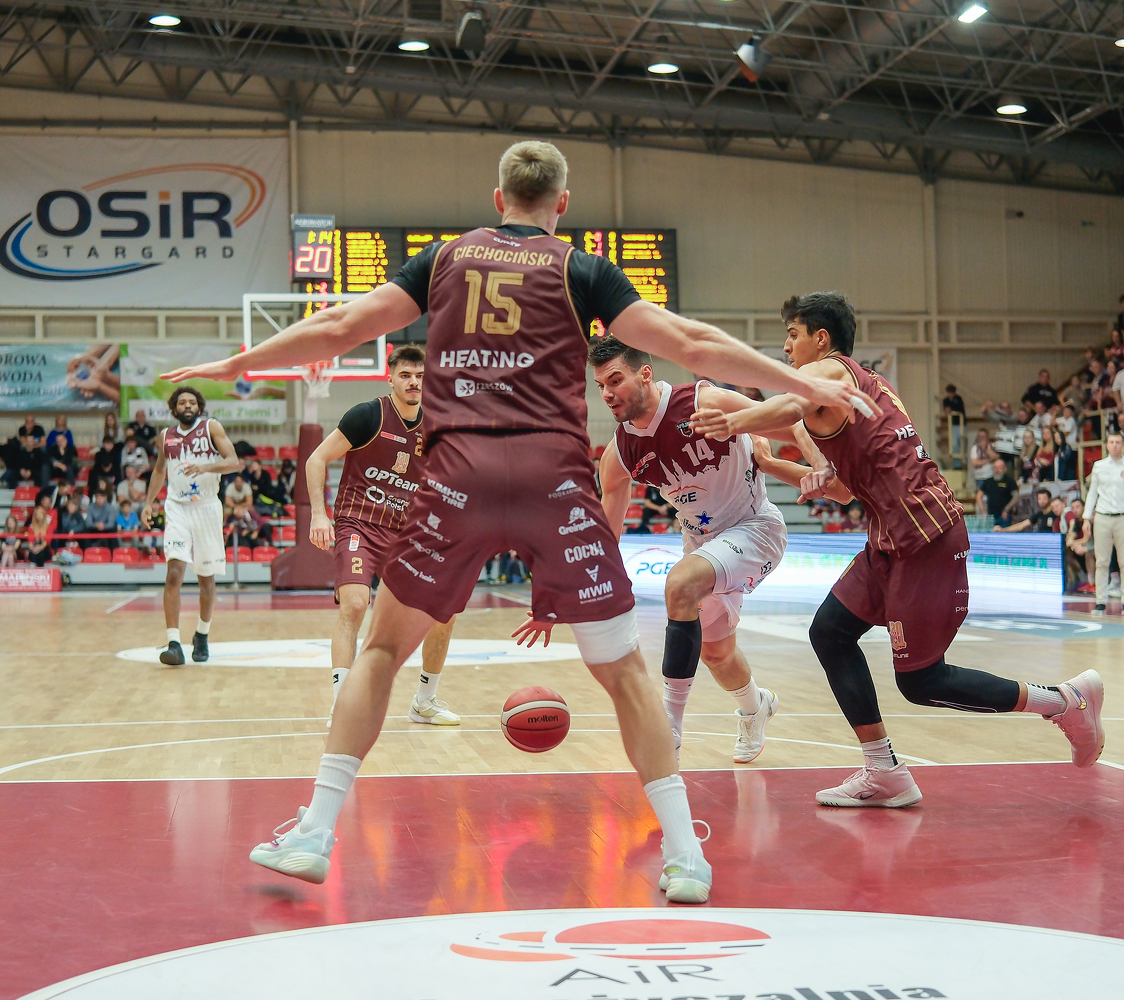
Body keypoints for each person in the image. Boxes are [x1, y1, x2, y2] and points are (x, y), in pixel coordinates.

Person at [163, 141, 871, 902]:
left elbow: (342, 323)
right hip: (553, 485)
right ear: (562, 204)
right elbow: (694, 342)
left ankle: (314, 832)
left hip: (458, 480)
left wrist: (237, 365)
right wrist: (799, 382)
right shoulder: (581, 268)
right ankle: (682, 855)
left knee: (381, 652)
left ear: (498, 198)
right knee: (623, 672)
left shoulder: (444, 259)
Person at [689, 290, 1105, 812]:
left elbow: (789, 406)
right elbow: (839, 485)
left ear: (822, 338)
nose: (786, 347)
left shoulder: (832, 373)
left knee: (922, 680)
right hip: (890, 538)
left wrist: (732, 422)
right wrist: (777, 464)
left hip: (926, 538)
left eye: (792, 335)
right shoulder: (852, 390)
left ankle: (1064, 702)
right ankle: (883, 770)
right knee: (830, 632)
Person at [590, 336, 790, 766]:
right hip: (702, 544)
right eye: (600, 385)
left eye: (615, 380)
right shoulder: (621, 451)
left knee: (679, 584)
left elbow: (787, 419)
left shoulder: (701, 400)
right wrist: (586, 585)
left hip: (754, 527)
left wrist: (818, 461)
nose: (606, 392)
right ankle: (756, 707)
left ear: (645, 374)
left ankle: (669, 727)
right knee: (717, 653)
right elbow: (609, 526)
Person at [303, 345, 461, 729]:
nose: (413, 382)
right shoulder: (368, 415)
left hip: (407, 532)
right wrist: (319, 515)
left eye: (420, 376)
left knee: (445, 612)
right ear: (390, 378)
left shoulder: (437, 427)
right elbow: (316, 459)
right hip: (359, 523)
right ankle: (343, 704)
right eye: (406, 375)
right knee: (355, 605)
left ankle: (424, 701)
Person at [140, 387, 242, 666]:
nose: (188, 406)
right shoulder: (166, 436)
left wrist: (205, 468)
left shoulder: (211, 428)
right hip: (177, 508)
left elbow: (234, 462)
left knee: (206, 580)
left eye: (192, 402)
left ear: (199, 407)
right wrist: (148, 503)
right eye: (182, 402)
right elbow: (159, 470)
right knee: (174, 572)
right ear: (174, 409)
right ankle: (174, 643)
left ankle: (202, 635)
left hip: (207, 508)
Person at [1082, 431, 1124, 614]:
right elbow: (1092, 493)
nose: (1115, 445)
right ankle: (1100, 601)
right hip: (1102, 516)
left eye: (1118, 442)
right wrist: (1086, 517)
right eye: (1111, 442)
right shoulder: (1098, 466)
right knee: (1102, 561)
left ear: (1123, 444)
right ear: (1107, 445)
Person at [976, 457, 1019, 526]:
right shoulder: (988, 482)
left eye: (999, 468)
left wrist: (1006, 509)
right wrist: (983, 510)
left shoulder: (1010, 481)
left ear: (1005, 469)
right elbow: (979, 495)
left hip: (1005, 515)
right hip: (991, 516)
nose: (997, 470)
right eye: (995, 468)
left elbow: (1016, 496)